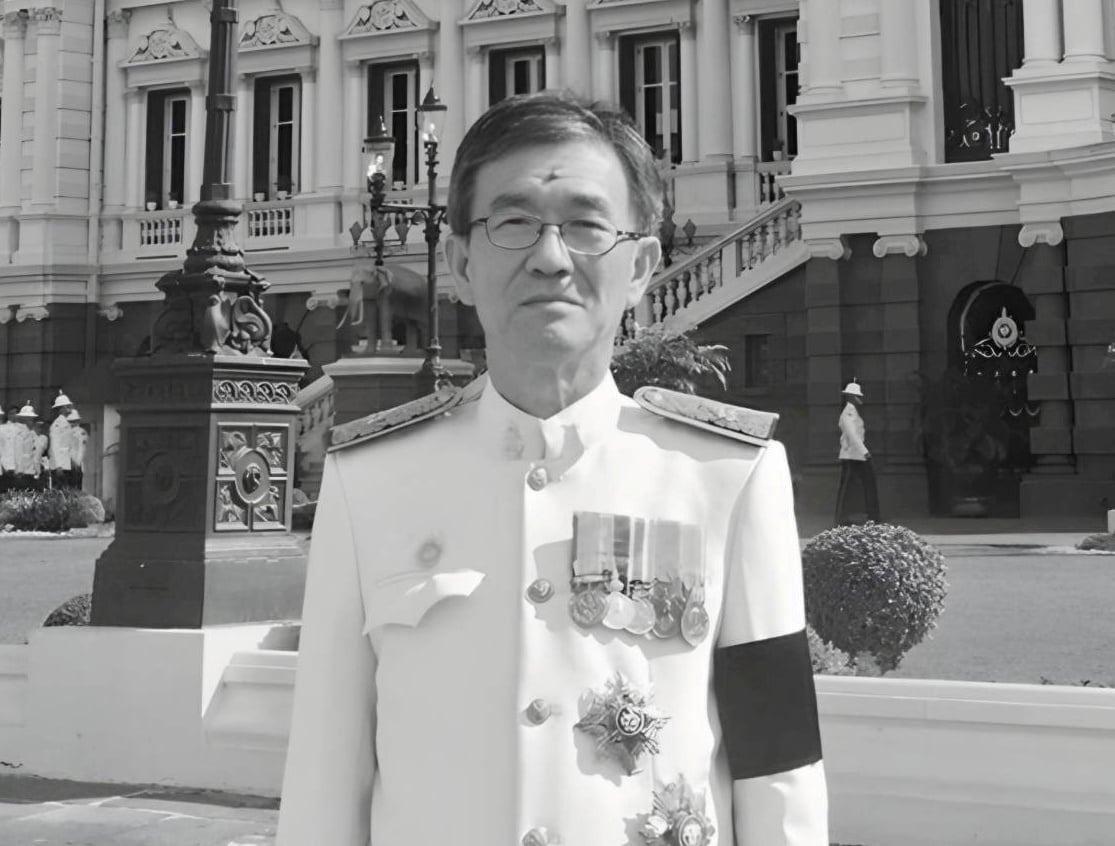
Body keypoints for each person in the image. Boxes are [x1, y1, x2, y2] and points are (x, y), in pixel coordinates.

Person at [278, 92, 827, 846]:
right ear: (460, 263)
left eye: (585, 225)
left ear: (640, 267)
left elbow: (778, 763)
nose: (549, 256)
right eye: (513, 223)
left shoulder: (727, 476)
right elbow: (324, 771)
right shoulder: (369, 482)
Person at [834, 380, 880, 525]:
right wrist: (865, 452)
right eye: (856, 396)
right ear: (850, 397)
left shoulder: (853, 412)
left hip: (856, 454)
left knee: (861, 486)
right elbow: (852, 435)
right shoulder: (848, 413)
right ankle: (842, 519)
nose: (859, 398)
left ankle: (870, 516)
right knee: (848, 487)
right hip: (852, 455)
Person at [48, 390, 74, 489]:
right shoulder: (57, 424)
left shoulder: (66, 423)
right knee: (59, 491)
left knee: (67, 490)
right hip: (60, 465)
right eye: (67, 406)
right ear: (62, 409)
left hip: (66, 463)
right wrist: (58, 466)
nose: (69, 408)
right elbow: (55, 446)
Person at [0, 406, 17, 494]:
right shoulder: (2, 428)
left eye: (16, 413)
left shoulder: (22, 429)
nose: (14, 415)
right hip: (6, 466)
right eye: (11, 413)